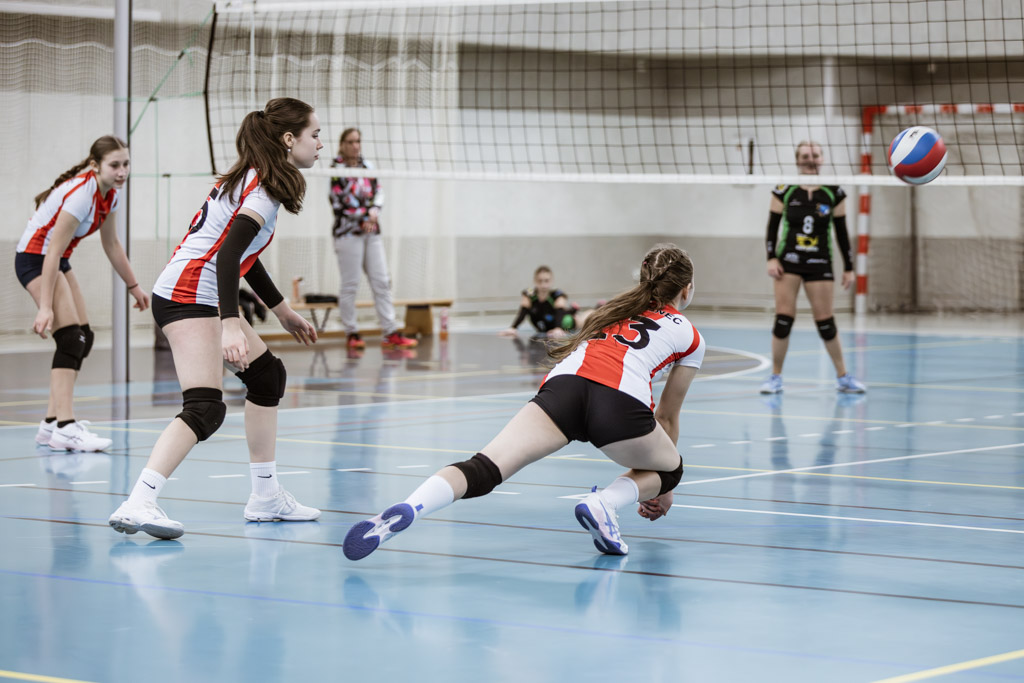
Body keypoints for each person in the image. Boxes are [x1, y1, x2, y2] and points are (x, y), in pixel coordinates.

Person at [343, 243, 705, 560]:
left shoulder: (614, 308)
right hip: (618, 401)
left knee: (484, 467)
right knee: (671, 468)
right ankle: (605, 503)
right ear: (686, 289)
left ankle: (412, 505)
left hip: (563, 388)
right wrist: (664, 486)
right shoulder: (689, 335)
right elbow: (666, 418)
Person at [108, 97, 323, 540]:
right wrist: (229, 325)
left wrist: (281, 309)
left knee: (267, 378)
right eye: (315, 135)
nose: (320, 143)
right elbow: (227, 256)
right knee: (205, 407)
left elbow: (243, 256)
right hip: (190, 294)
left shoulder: (254, 178)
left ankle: (266, 496)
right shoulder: (262, 191)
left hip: (192, 290)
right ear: (289, 139)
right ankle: (139, 501)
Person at [16, 135, 149, 452]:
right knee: (70, 339)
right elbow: (51, 251)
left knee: (83, 337)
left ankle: (51, 424)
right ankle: (65, 427)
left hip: (55, 260)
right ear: (95, 165)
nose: (122, 171)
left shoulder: (111, 195)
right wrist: (45, 308)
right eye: (114, 165)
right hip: (36, 259)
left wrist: (134, 286)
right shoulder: (80, 196)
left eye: (126, 164)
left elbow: (111, 244)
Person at [761, 141, 866, 395]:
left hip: (820, 261)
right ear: (798, 159)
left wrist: (849, 267)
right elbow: (772, 227)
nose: (811, 160)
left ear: (822, 159)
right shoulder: (784, 190)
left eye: (815, 155)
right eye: (806, 156)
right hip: (789, 261)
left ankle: (843, 377)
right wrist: (771, 257)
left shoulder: (833, 192)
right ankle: (775, 377)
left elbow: (842, 233)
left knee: (826, 322)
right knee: (783, 320)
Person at [330, 128, 417, 352]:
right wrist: (363, 217)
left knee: (382, 282)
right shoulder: (336, 170)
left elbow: (379, 192)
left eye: (358, 141)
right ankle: (352, 332)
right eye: (350, 141)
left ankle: (390, 332)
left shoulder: (368, 166)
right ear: (342, 144)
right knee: (350, 285)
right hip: (348, 233)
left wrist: (373, 213)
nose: (355, 145)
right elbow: (340, 203)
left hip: (372, 232)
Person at [498, 265, 582, 340]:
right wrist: (513, 327)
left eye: (546, 281)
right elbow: (523, 310)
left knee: (572, 319)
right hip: (544, 326)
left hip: (562, 324)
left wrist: (557, 328)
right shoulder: (529, 294)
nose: (543, 285)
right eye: (540, 281)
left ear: (551, 281)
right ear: (535, 281)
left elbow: (559, 311)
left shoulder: (557, 294)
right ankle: (572, 310)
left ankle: (573, 311)